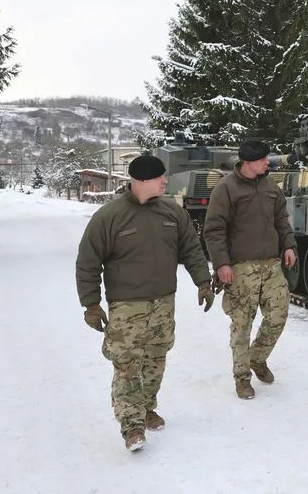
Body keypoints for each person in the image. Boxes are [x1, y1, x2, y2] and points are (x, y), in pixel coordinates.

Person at [75, 154, 214, 453]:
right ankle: (132, 426)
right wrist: (91, 304)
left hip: (164, 303)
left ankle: (147, 407)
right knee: (127, 365)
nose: (165, 181)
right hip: (127, 307)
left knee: (155, 359)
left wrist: (203, 281)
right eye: (159, 177)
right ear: (140, 180)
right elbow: (88, 262)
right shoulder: (109, 217)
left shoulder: (172, 213)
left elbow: (191, 248)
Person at [203, 138, 297, 400]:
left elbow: (282, 220)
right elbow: (214, 230)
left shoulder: (271, 187)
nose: (268, 163)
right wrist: (222, 263)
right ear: (247, 162)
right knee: (242, 324)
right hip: (240, 267)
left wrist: (289, 245)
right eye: (262, 159)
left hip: (271, 264)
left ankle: (257, 358)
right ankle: (242, 378)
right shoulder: (226, 189)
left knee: (278, 316)